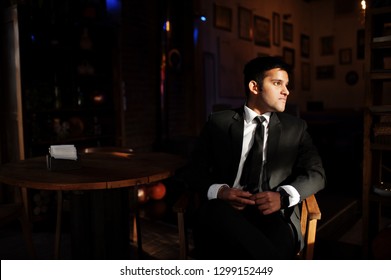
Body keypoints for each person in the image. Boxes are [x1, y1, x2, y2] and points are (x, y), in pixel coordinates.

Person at [183, 56, 326, 259]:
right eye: (277, 83)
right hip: (225, 211)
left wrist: (283, 197)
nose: (286, 91)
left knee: (273, 242)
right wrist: (221, 191)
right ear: (254, 86)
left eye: (286, 85)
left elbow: (317, 174)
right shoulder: (218, 123)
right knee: (214, 215)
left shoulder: (296, 128)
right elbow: (192, 172)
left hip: (274, 213)